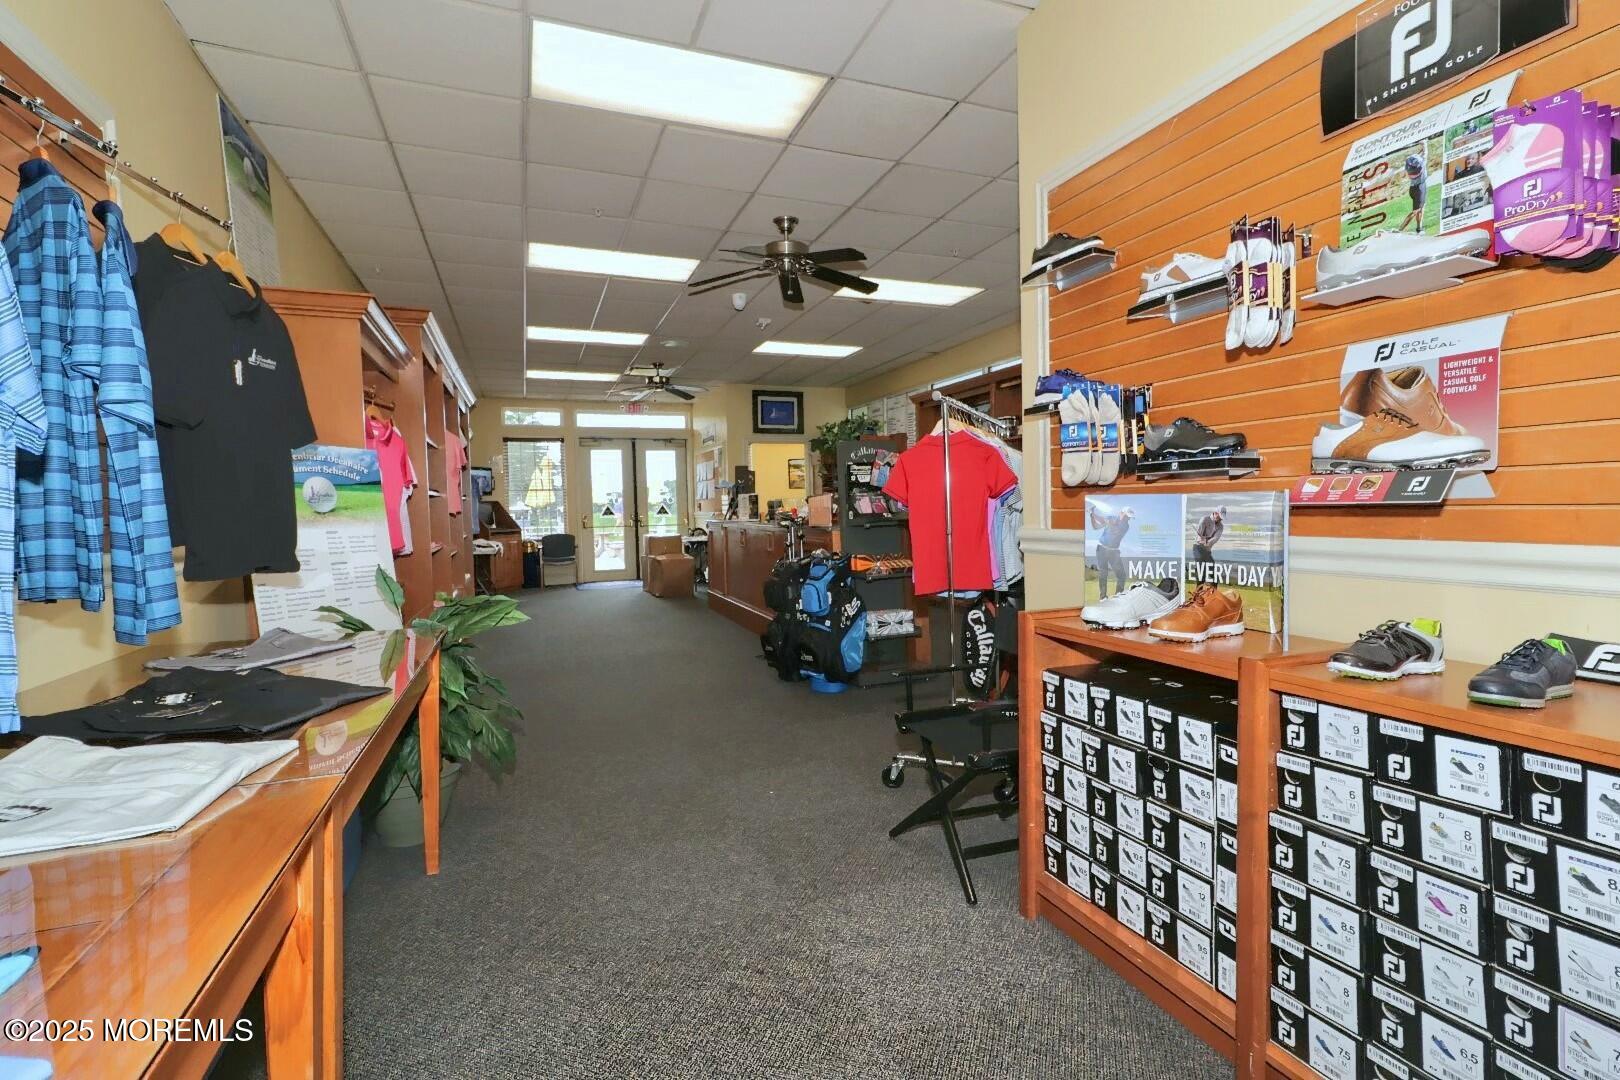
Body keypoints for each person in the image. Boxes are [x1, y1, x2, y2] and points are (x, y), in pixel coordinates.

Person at [1089, 504, 1134, 598]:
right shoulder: (1112, 519)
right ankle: (1103, 597)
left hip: (1114, 552)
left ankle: (1118, 596)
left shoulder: (1125, 526)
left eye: (1129, 518)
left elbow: (1105, 521)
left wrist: (1093, 513)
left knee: (1121, 575)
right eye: (1126, 516)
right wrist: (1091, 515)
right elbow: (1096, 527)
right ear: (1121, 513)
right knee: (1103, 573)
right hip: (1102, 549)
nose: (1127, 519)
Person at [1398, 153, 1428, 233]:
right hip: (1419, 189)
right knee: (1416, 211)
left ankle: (1419, 228)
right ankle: (1400, 229)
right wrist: (1424, 144)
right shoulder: (1421, 164)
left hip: (1414, 188)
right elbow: (1425, 154)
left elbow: (1424, 153)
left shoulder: (1410, 168)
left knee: (1421, 209)